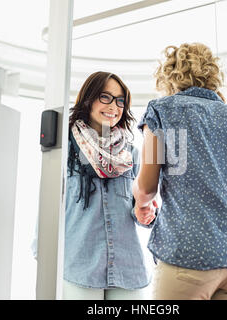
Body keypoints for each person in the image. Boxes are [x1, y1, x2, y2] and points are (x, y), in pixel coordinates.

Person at [133, 43, 227, 300]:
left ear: (169, 77)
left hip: (186, 258)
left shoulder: (162, 111)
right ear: (212, 76)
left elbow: (146, 187)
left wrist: (140, 201)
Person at [62, 71, 157, 299]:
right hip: (79, 267)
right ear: (88, 99)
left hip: (128, 267)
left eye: (120, 100)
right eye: (105, 97)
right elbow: (48, 207)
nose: (114, 106)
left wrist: (145, 212)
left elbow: (141, 208)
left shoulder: (131, 154)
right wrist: (43, 254)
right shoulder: (64, 150)